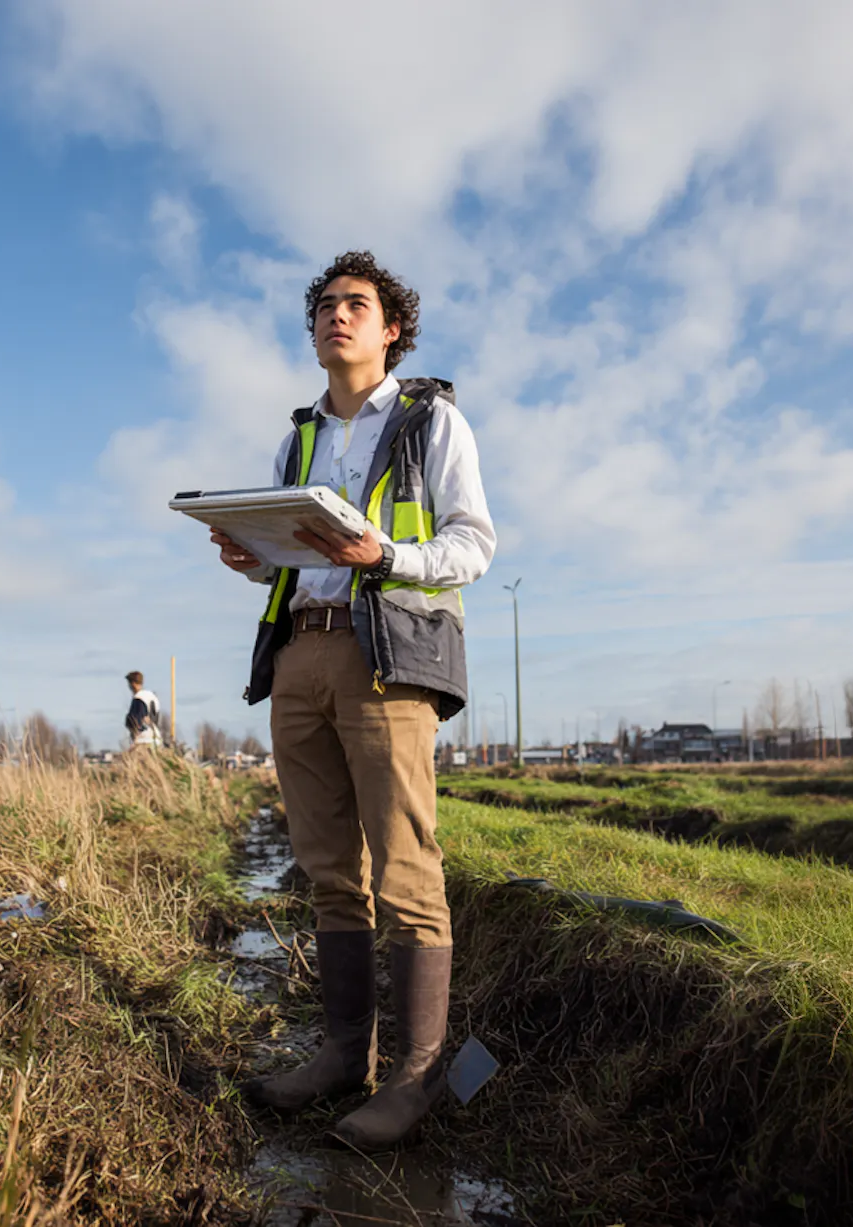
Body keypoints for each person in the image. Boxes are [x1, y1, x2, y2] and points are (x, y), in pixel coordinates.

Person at [211, 251, 494, 1148]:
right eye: (326, 305)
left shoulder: (430, 420)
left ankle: (414, 1076)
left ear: (391, 328)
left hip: (387, 658)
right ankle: (345, 1055)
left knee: (404, 865)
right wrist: (250, 554)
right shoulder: (297, 438)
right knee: (329, 870)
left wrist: (386, 557)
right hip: (301, 657)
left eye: (356, 304)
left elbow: (472, 542)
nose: (337, 315)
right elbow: (288, 554)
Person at [123, 671, 162, 748]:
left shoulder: (139, 698)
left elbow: (135, 721)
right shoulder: (152, 696)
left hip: (143, 739)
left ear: (133, 684)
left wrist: (128, 720)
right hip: (155, 738)